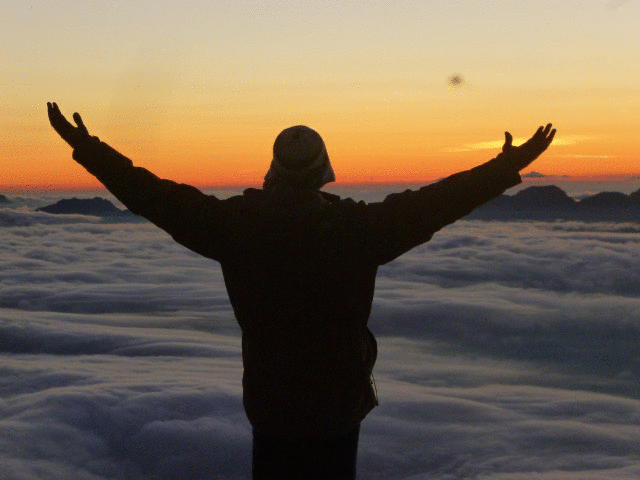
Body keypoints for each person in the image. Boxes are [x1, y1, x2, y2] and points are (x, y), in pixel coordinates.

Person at [47, 102, 555, 479]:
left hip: (271, 406)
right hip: (338, 405)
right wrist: (504, 167)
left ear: (273, 169)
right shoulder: (360, 229)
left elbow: (150, 193)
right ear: (323, 171)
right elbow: (438, 202)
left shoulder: (233, 226)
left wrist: (89, 148)